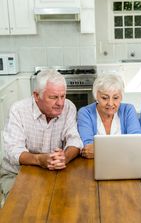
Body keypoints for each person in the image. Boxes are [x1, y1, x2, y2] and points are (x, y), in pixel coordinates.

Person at [0, 68, 83, 205]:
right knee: (20, 209)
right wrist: (40, 159)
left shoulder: (69, 107)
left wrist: (65, 157)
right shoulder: (18, 110)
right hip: (17, 173)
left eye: (63, 96)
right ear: (36, 96)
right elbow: (13, 151)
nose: (60, 103)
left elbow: (74, 140)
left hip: (56, 171)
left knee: (68, 205)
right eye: (53, 97)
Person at [77, 73, 141, 159]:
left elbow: (136, 143)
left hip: (125, 163)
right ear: (96, 96)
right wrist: (124, 148)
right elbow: (88, 148)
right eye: (104, 98)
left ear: (121, 97)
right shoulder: (85, 113)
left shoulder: (128, 110)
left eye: (115, 98)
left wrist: (98, 151)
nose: (110, 103)